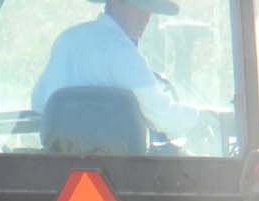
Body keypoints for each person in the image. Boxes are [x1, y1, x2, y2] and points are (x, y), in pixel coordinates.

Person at [31, 0, 201, 142]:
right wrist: (199, 118)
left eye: (149, 10)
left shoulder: (67, 39)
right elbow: (161, 116)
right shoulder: (121, 49)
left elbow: (39, 103)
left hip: (57, 162)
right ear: (114, 2)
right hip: (120, 166)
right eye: (140, 6)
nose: (146, 17)